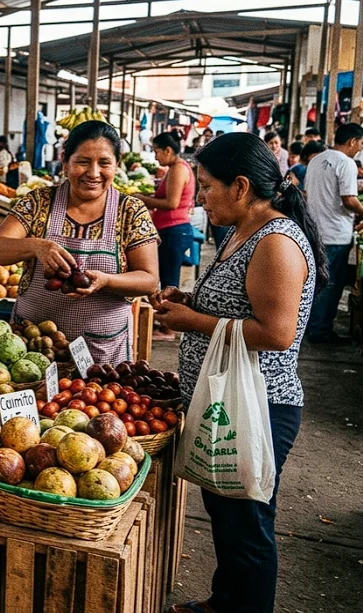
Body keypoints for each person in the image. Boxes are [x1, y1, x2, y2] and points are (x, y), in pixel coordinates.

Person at [153, 132, 324, 613]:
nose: (199, 196)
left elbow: (276, 332)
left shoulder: (276, 242)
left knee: (247, 522)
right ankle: (226, 601)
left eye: (206, 186)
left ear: (241, 187)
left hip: (261, 404)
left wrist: (193, 322)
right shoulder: (239, 233)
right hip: (227, 399)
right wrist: (190, 302)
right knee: (227, 515)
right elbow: (236, 308)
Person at [0, 121, 160, 364]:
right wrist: (37, 246)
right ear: (65, 161)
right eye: (83, 162)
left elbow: (149, 280)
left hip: (101, 351)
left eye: (104, 163)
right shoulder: (39, 202)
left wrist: (106, 281)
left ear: (117, 165)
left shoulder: (130, 211)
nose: (93, 173)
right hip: (32, 349)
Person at [300, 122, 363, 343]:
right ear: (352, 141)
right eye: (361, 144)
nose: (359, 148)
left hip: (315, 232)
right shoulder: (346, 163)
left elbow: (308, 193)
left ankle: (311, 327)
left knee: (316, 283)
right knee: (330, 284)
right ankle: (320, 331)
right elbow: (348, 199)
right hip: (336, 234)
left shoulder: (316, 160)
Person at [135, 132, 195, 340]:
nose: (156, 157)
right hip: (171, 230)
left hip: (174, 230)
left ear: (168, 150)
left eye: (157, 151)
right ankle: (166, 324)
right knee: (165, 278)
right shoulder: (175, 169)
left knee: (169, 281)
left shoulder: (178, 169)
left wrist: (142, 199)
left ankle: (169, 329)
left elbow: (171, 203)